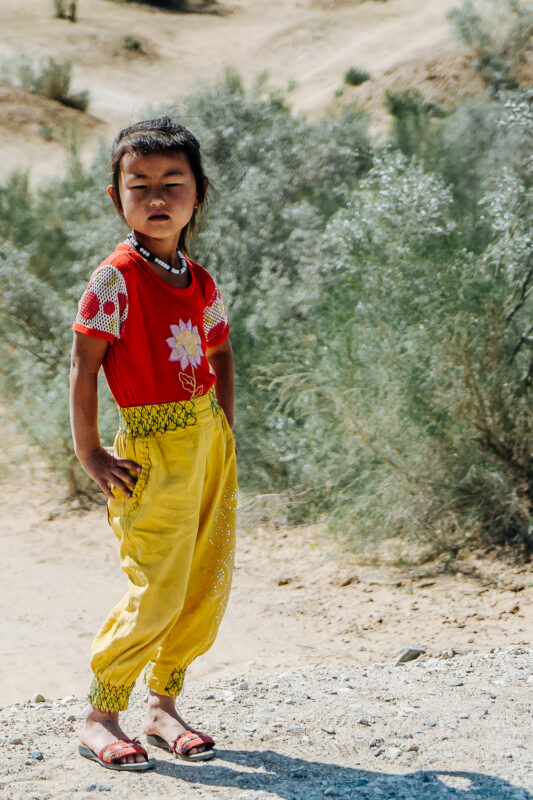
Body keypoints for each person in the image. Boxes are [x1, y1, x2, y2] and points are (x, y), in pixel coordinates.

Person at [70, 117, 237, 771]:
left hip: (208, 445)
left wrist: (222, 424)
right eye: (139, 185)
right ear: (117, 198)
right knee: (158, 586)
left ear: (199, 192)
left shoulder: (198, 279)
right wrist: (89, 451)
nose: (157, 196)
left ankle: (164, 707)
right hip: (152, 447)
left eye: (174, 182)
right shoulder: (115, 278)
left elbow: (219, 349)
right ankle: (100, 713)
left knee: (203, 582)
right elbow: (85, 366)